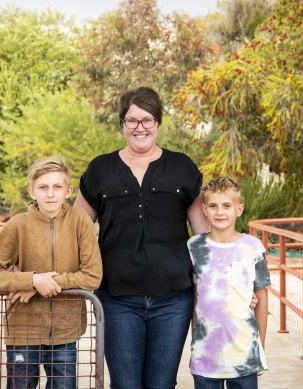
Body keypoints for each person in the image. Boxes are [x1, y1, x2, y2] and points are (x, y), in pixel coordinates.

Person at [74, 86, 210, 388]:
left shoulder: (182, 167)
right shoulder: (100, 169)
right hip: (116, 298)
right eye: (132, 120)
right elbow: (76, 231)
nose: (140, 128)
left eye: (147, 120)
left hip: (173, 298)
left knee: (162, 385)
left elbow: (206, 239)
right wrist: (32, 264)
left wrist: (233, 287)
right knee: (125, 385)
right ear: (122, 124)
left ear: (158, 123)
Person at [0, 155, 103, 389]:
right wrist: (32, 280)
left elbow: (92, 275)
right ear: (31, 191)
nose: (50, 194)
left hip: (65, 330)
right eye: (43, 187)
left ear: (68, 190)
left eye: (57, 187)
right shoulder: (17, 225)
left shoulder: (80, 221)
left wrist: (42, 284)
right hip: (23, 329)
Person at [187, 177, 271, 389]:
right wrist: (195, 340)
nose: (220, 212)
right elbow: (196, 296)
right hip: (206, 355)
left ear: (239, 209)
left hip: (243, 354)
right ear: (204, 209)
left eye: (226, 205)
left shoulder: (253, 247)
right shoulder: (194, 247)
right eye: (213, 206)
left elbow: (261, 295)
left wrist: (260, 344)